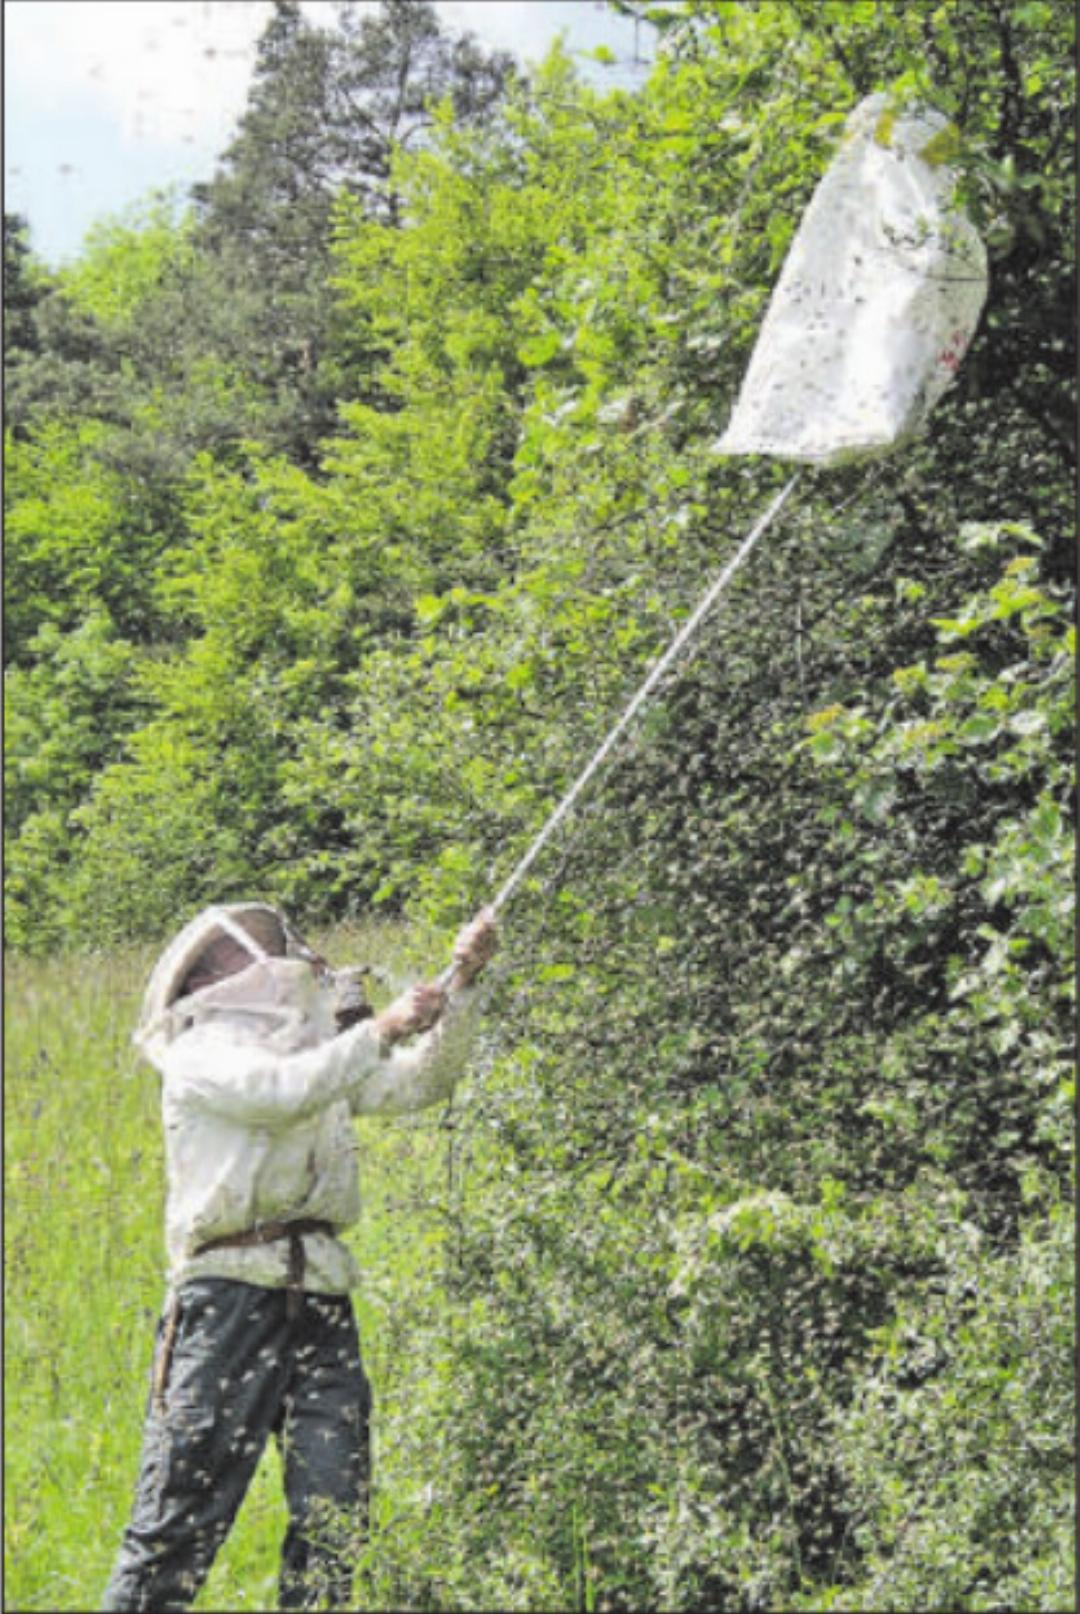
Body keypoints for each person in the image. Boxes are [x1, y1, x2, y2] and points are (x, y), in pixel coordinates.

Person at [102, 900, 498, 1612]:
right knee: (174, 1532)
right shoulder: (199, 1051)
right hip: (225, 1302)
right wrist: (380, 1029)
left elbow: (418, 1082)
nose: (274, 954)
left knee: (335, 1522)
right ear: (209, 974)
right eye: (246, 949)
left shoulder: (316, 1054)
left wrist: (465, 983)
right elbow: (279, 1095)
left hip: (320, 1299)